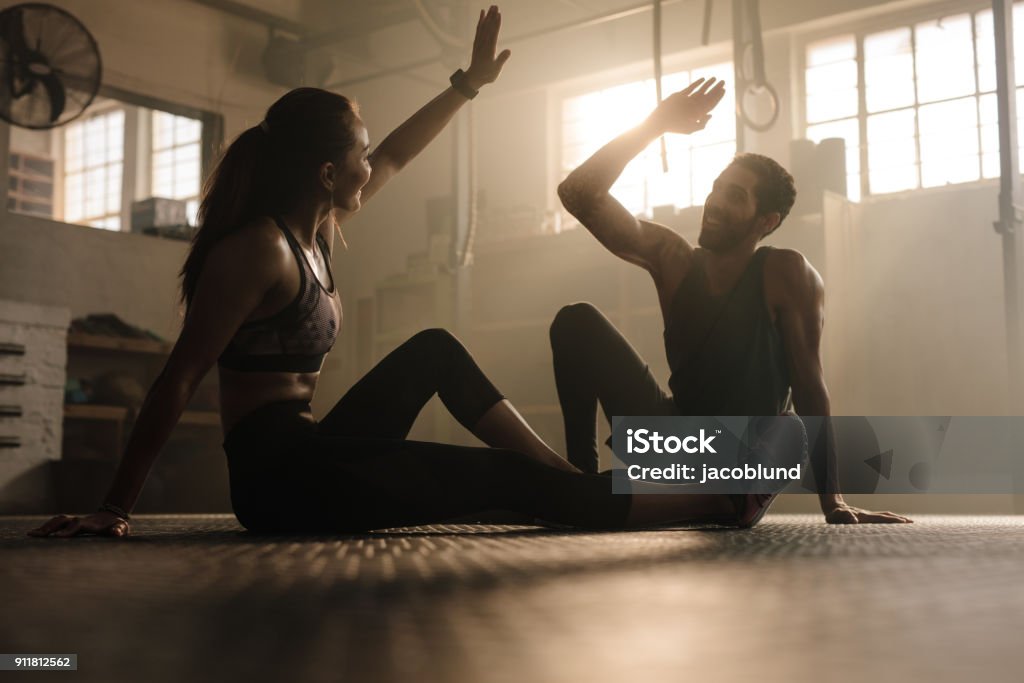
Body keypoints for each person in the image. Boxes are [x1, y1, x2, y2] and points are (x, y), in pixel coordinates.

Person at [27, 7, 776, 539]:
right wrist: (115, 506)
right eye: (355, 154)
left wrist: (467, 84)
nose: (369, 163)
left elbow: (396, 154)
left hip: (315, 448)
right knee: (500, 483)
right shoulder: (258, 250)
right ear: (326, 172)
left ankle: (564, 479)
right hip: (283, 482)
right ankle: (711, 503)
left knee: (435, 351)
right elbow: (181, 374)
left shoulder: (313, 226)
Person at [554, 77, 911, 524]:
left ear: (766, 220)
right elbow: (577, 194)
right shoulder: (674, 260)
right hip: (679, 448)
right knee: (575, 322)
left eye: (734, 196)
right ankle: (575, 484)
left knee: (792, 427)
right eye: (717, 188)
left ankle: (731, 499)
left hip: (745, 456)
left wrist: (832, 501)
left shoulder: (785, 271)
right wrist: (655, 124)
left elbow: (809, 385)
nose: (714, 203)